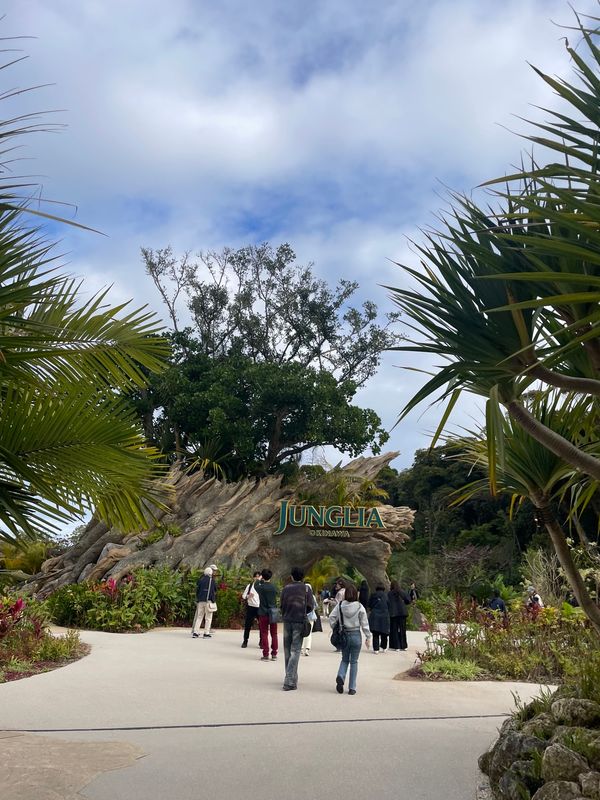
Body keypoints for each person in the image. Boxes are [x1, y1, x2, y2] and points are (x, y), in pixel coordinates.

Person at [328, 582, 371, 695]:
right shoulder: (360, 606)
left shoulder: (340, 605)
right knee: (354, 662)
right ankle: (352, 688)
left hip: (344, 635)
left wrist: (335, 627)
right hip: (356, 635)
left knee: (345, 659)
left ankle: (341, 676)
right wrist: (368, 636)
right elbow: (365, 623)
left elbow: (332, 617)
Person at [280, 567, 315, 691]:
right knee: (295, 650)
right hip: (299, 621)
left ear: (292, 576)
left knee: (287, 650)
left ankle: (291, 678)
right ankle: (289, 680)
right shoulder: (306, 588)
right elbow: (311, 605)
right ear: (302, 577)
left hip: (287, 620)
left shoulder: (286, 588)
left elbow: (281, 604)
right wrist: (303, 611)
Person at [257, 568, 278, 661]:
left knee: (264, 633)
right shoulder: (274, 587)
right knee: (274, 634)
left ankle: (266, 654)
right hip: (273, 612)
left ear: (262, 576)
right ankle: (274, 654)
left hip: (263, 612)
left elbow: (255, 584)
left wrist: (260, 578)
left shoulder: (260, 587)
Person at [192, 567, 217, 639]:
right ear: (211, 573)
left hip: (200, 601)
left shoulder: (201, 580)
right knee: (208, 618)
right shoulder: (211, 580)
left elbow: (197, 589)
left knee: (199, 617)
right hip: (208, 601)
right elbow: (215, 589)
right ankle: (206, 633)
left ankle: (195, 633)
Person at [387, 580, 411, 651]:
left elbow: (388, 603)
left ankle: (396, 646)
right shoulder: (402, 592)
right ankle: (404, 645)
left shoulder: (389, 594)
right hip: (402, 612)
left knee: (394, 629)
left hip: (394, 613)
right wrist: (404, 603)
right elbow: (408, 600)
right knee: (403, 629)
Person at [241, 571, 262, 648]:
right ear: (253, 577)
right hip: (250, 607)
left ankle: (261, 641)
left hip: (259, 608)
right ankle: (245, 641)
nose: (257, 578)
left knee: (261, 626)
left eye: (258, 576)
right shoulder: (249, 586)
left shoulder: (261, 586)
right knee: (248, 625)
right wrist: (248, 596)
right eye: (255, 576)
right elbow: (243, 596)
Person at [368, 585, 390, 653]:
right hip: (384, 615)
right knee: (384, 632)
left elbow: (369, 604)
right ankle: (384, 647)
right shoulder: (386, 596)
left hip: (375, 615)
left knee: (375, 632)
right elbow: (389, 605)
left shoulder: (373, 595)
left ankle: (376, 649)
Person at [301, 581, 318, 657]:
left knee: (301, 632)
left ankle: (301, 648)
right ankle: (307, 649)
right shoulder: (313, 596)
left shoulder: (301, 595)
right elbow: (316, 606)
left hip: (302, 616)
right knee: (309, 632)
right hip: (311, 617)